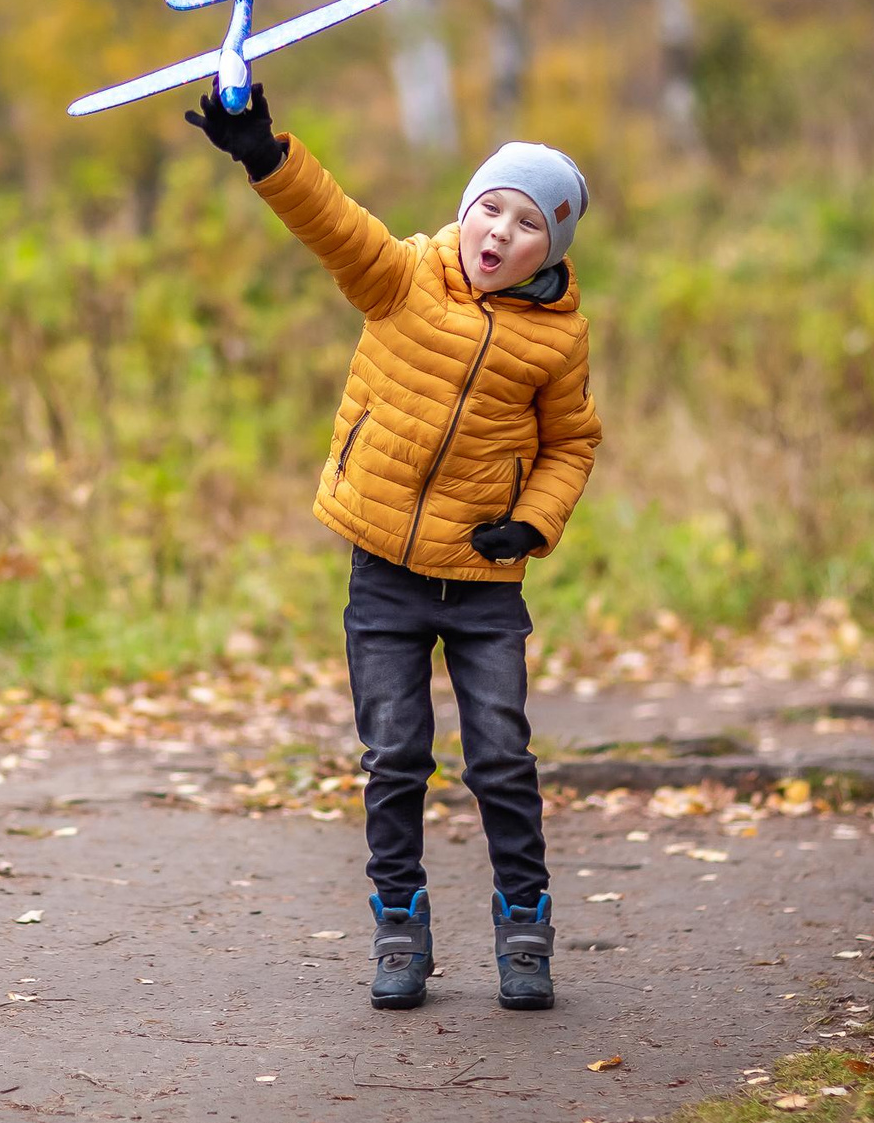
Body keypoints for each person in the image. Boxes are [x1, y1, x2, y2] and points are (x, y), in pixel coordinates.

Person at [187, 83, 602, 1011]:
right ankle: (400, 928)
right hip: (383, 573)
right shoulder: (404, 276)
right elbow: (332, 222)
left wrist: (532, 523)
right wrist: (264, 153)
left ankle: (524, 925)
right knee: (395, 757)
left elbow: (573, 442)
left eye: (527, 224)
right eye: (490, 209)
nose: (500, 233)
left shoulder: (558, 340)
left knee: (501, 758)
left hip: (484, 581)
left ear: (551, 249)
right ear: (466, 209)